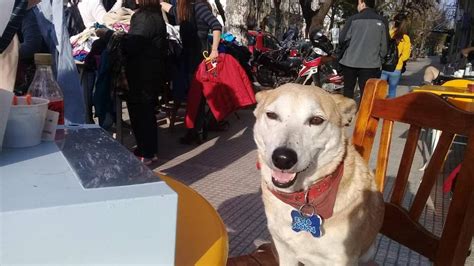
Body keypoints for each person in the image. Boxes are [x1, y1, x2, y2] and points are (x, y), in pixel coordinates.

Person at [161, 0, 222, 145]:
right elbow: (171, 9)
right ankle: (196, 130)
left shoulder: (198, 7)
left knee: (197, 97)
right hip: (189, 58)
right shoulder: (184, 9)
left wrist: (214, 50)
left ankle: (197, 131)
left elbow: (216, 25)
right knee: (193, 97)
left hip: (199, 58)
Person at [120, 0, 167, 164]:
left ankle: (145, 152)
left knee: (141, 113)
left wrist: (119, 38)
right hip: (153, 71)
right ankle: (149, 150)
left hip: (141, 72)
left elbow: (134, 44)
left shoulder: (143, 17)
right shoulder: (157, 15)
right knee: (147, 112)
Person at [338, 0, 389, 100]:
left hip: (349, 62)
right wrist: (380, 57)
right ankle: (363, 115)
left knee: (348, 91)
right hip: (371, 64)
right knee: (367, 94)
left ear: (362, 3)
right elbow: (384, 46)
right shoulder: (382, 21)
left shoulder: (352, 19)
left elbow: (342, 39)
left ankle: (348, 114)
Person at [380, 13, 411, 98]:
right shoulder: (405, 38)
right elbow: (406, 56)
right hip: (396, 68)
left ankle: (377, 108)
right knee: (392, 92)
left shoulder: (389, 33)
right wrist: (399, 59)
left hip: (384, 66)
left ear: (394, 22)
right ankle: (388, 110)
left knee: (379, 90)